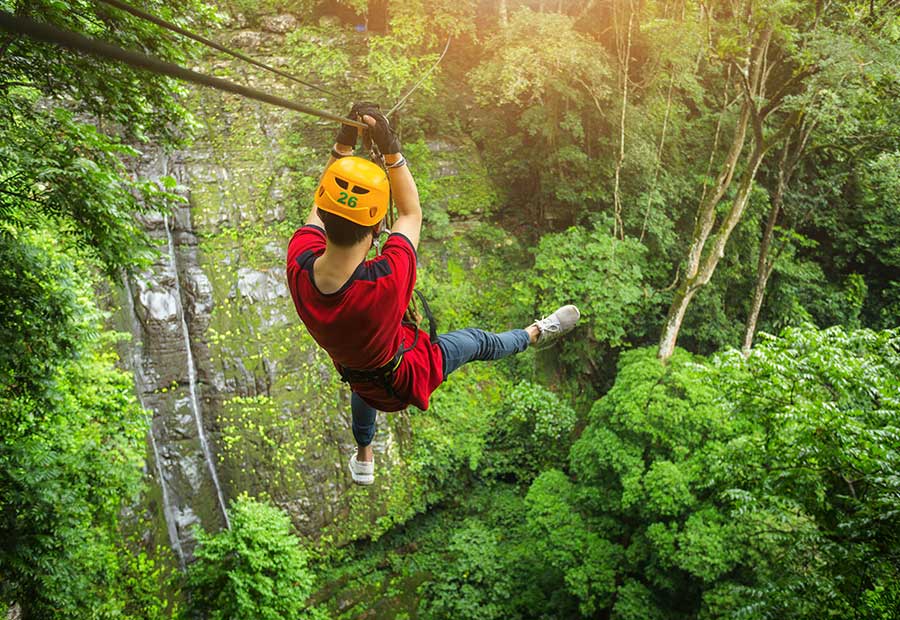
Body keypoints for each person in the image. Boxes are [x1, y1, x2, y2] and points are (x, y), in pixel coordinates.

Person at [285, 103, 580, 485]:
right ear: (377, 230)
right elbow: (410, 213)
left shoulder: (299, 264)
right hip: (406, 376)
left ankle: (364, 455)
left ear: (324, 218)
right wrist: (388, 146)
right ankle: (535, 333)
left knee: (365, 385)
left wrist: (344, 152)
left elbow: (325, 207)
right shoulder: (384, 281)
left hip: (358, 371)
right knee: (476, 342)